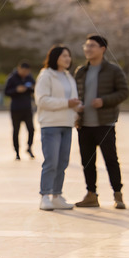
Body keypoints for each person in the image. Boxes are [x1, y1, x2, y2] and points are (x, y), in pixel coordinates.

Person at [73, 35, 129, 209]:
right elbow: (75, 94)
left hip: (105, 124)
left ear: (102, 49)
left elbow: (124, 92)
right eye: (86, 45)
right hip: (84, 125)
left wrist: (104, 101)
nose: (88, 49)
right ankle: (91, 195)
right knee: (87, 162)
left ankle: (118, 195)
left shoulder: (113, 70)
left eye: (92, 46)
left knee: (111, 160)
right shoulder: (81, 71)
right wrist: (77, 107)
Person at [35, 44, 83, 211]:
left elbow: (73, 99)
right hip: (51, 125)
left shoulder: (68, 76)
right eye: (64, 56)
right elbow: (42, 100)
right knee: (51, 161)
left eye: (68, 56)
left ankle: (57, 195)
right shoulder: (46, 75)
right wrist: (67, 103)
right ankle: (45, 196)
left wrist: (77, 108)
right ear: (55, 57)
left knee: (62, 162)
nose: (67, 59)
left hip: (67, 124)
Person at [4, 61, 36, 160]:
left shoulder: (29, 78)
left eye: (27, 71)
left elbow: (35, 88)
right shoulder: (12, 78)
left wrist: (30, 88)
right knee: (16, 131)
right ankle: (17, 151)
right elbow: (6, 92)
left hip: (27, 108)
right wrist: (16, 90)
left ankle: (29, 147)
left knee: (31, 129)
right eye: (24, 70)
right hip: (16, 109)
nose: (25, 73)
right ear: (19, 69)